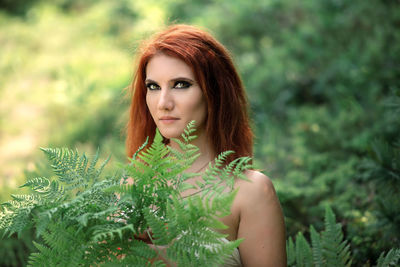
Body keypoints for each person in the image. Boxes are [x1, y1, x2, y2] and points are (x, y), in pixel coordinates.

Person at [126, 24, 286, 266]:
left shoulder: (251, 192)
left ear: (215, 91)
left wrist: (161, 257)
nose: (163, 103)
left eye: (181, 84)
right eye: (153, 87)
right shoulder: (132, 185)